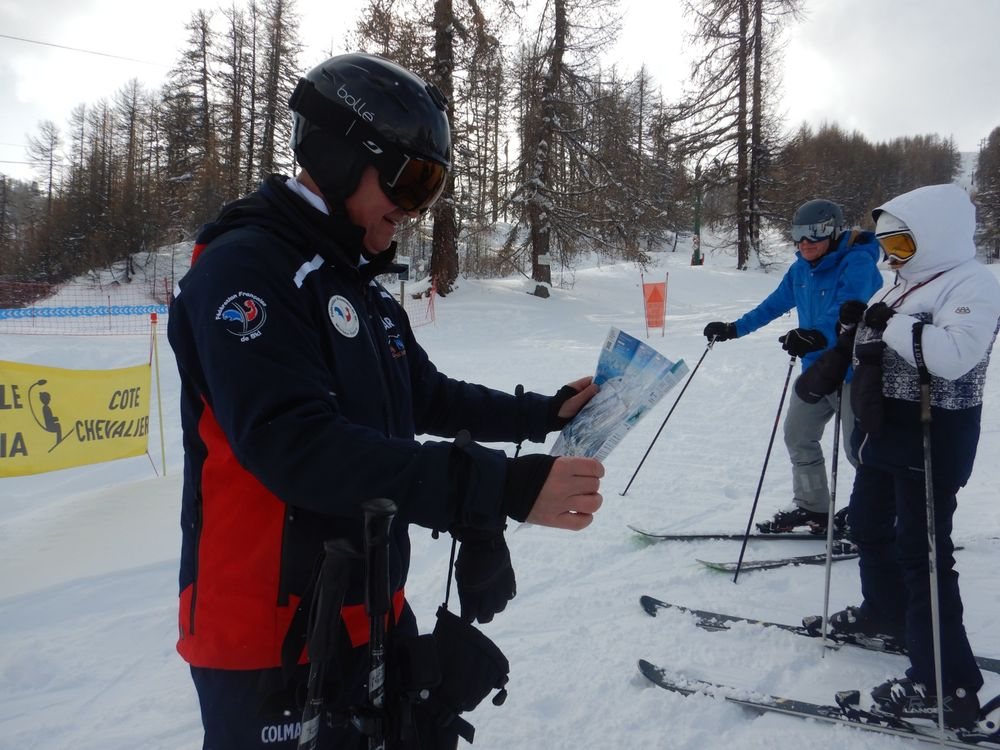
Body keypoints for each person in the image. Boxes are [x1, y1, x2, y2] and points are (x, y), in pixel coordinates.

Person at [167, 53, 605, 750]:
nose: (415, 208)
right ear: (340, 157)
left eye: (432, 187)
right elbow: (298, 446)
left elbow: (425, 396)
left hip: (368, 607)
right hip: (269, 640)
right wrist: (495, 489)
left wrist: (539, 415)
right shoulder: (246, 271)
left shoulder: (357, 285)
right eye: (409, 179)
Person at [823, 183, 1000, 728]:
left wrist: (889, 323)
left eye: (903, 244)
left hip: (932, 432)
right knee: (867, 525)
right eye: (888, 246)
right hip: (886, 430)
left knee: (923, 555)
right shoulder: (902, 283)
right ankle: (886, 614)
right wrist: (853, 325)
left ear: (937, 236)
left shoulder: (974, 283)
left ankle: (947, 685)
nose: (893, 256)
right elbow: (874, 344)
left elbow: (952, 356)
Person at [702, 199, 883, 534]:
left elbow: (849, 307)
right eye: (798, 233)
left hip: (853, 372)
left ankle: (880, 517)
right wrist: (734, 329)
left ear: (833, 231)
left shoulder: (858, 262)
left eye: (815, 233)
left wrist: (818, 335)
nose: (805, 242)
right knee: (798, 436)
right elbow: (773, 305)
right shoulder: (800, 269)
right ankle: (814, 508)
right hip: (816, 370)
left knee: (860, 449)